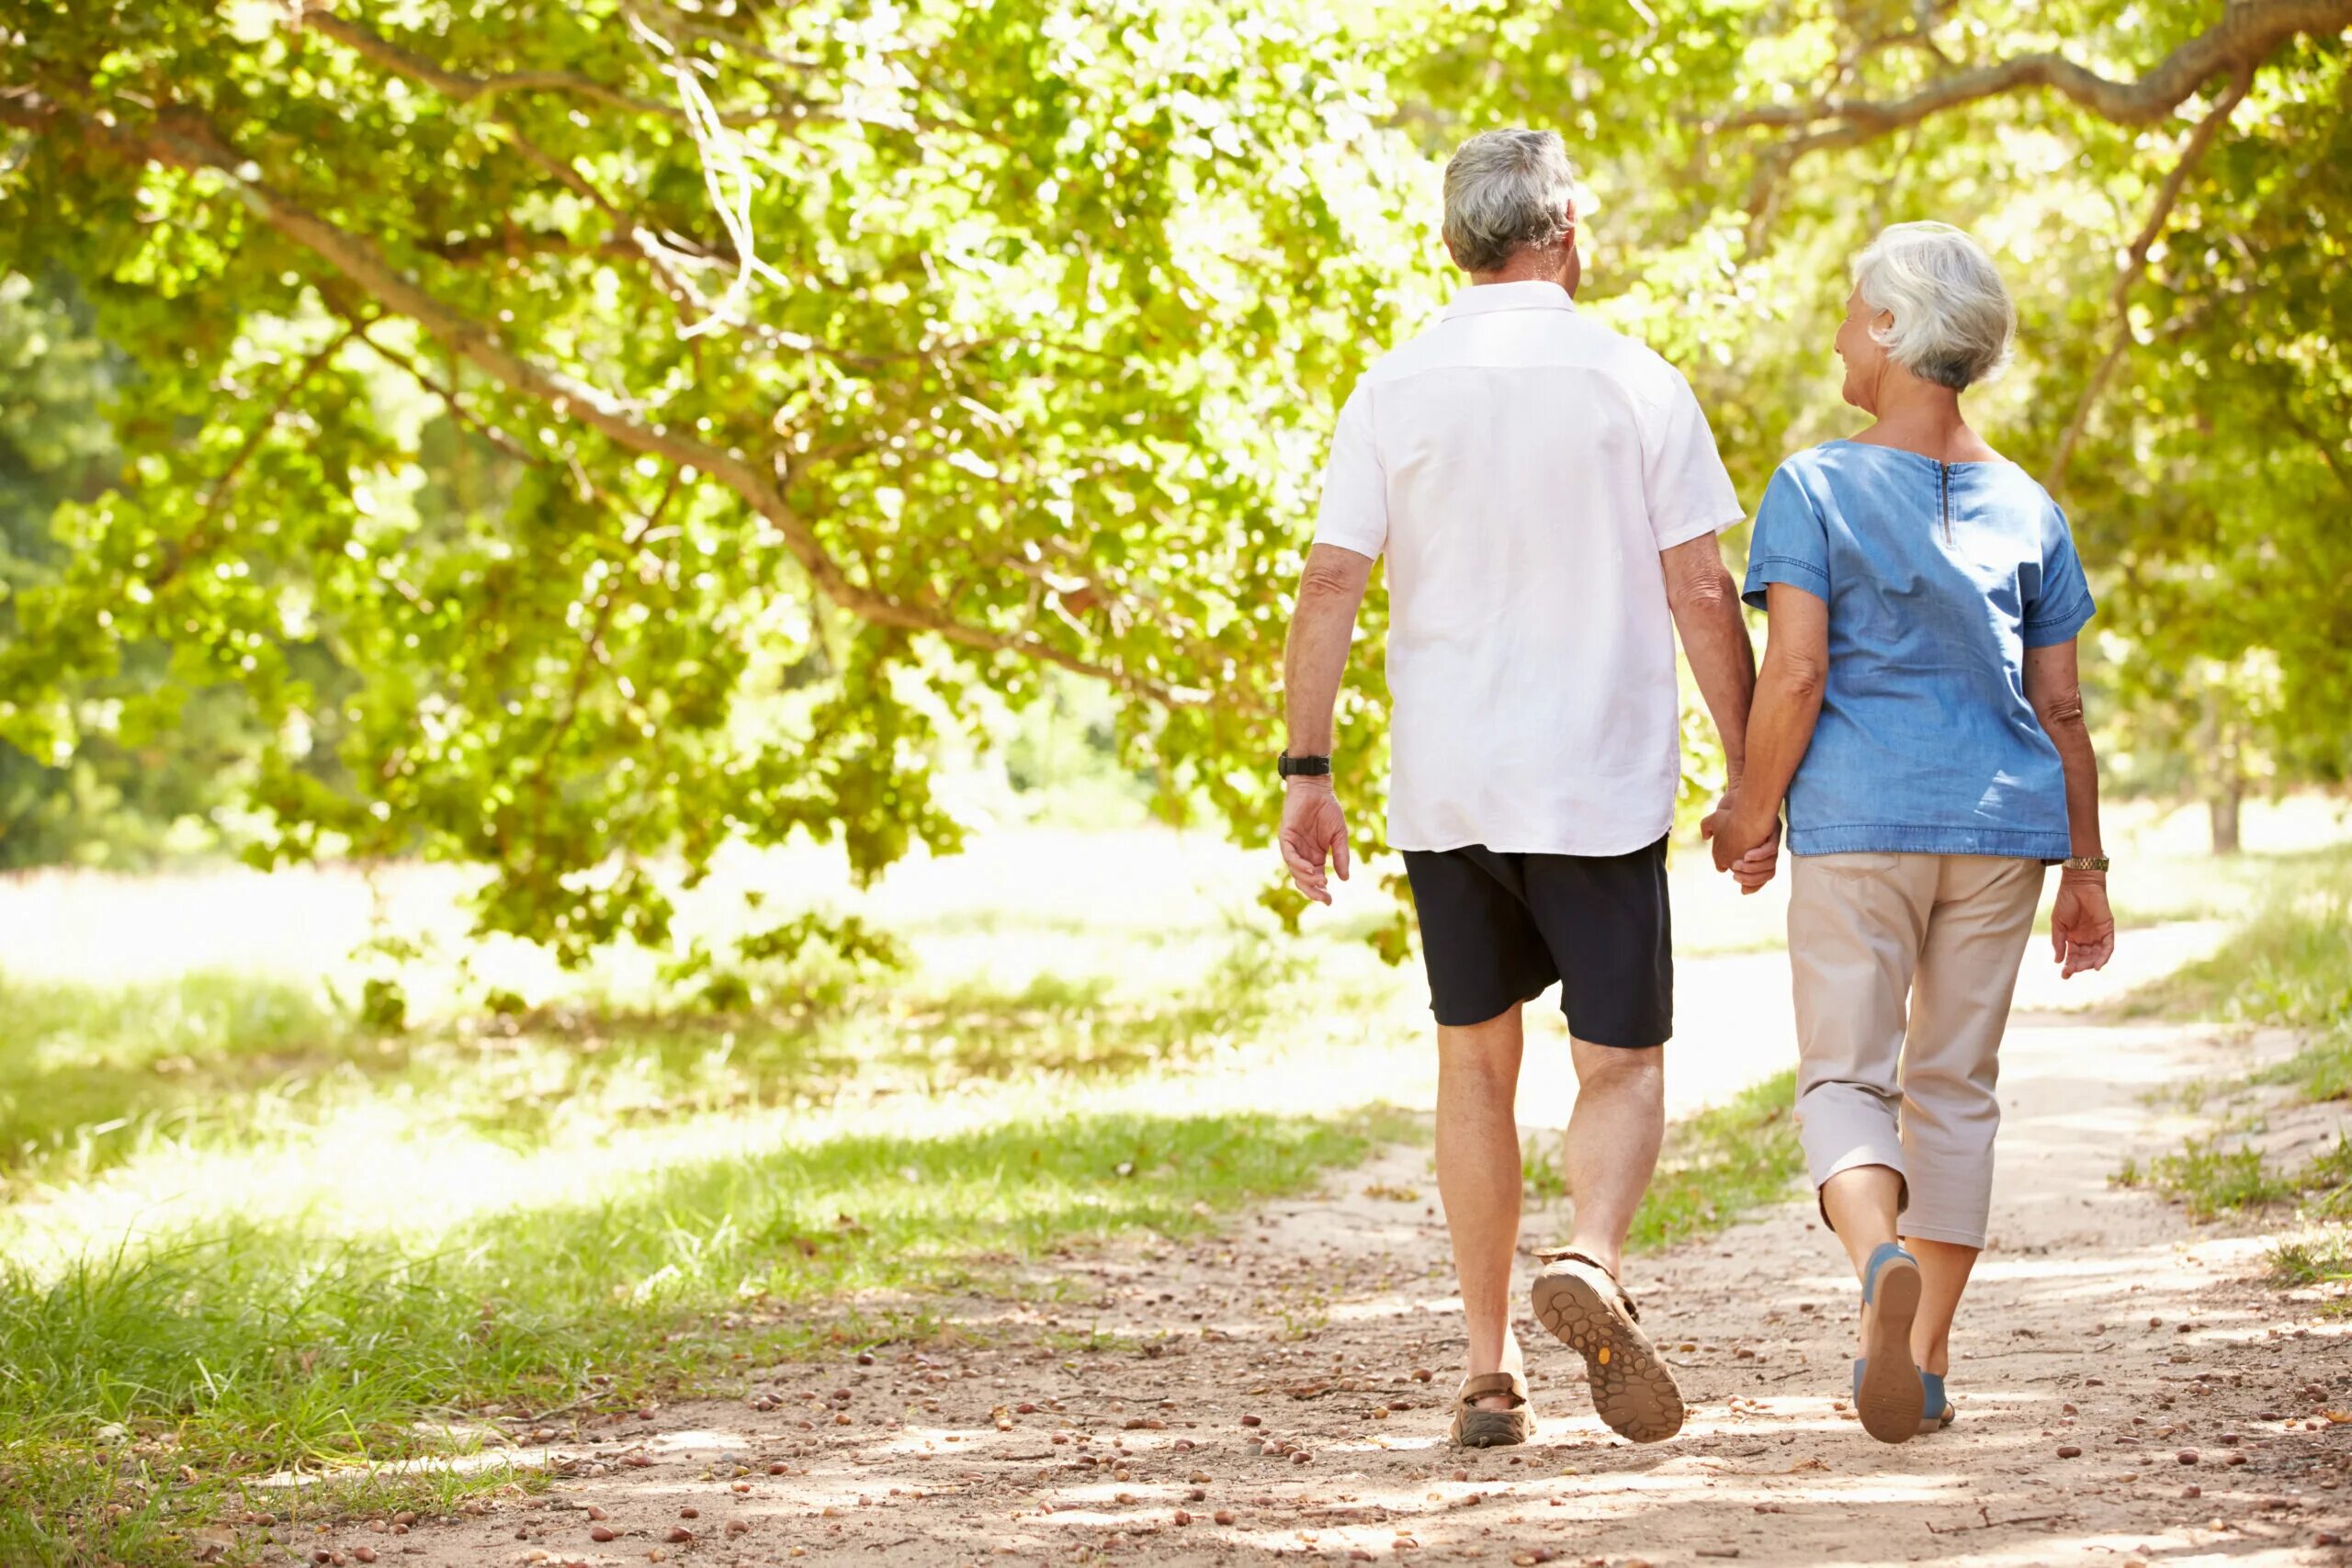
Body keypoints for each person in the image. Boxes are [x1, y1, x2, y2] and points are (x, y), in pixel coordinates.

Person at [1277, 129, 1760, 1450]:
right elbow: (1702, 588)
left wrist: (1305, 772)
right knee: (1621, 1062)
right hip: (1596, 780)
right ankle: (1591, 1259)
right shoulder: (1635, 381)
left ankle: (1490, 1373)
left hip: (1451, 785)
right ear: (1562, 231)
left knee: (1473, 1066)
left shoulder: (1393, 386)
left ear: (1458, 241)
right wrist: (1751, 771)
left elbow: (1331, 580)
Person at [1709, 220, 2118, 1444]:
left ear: (1890, 330)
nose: (1839, 331)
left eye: (1848, 310)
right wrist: (2087, 868)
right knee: (1955, 1090)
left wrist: (1749, 806)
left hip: (1860, 825)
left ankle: (1877, 1257)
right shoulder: (2031, 505)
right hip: (2002, 833)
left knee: (1847, 1075)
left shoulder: (1817, 485)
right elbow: (2062, 707)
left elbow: (1794, 675)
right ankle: (1926, 1358)